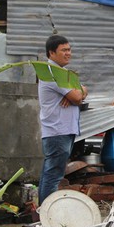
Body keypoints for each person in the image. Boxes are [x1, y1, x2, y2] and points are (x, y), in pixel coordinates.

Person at [38, 35, 88, 204]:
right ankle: (46, 216)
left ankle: (43, 214)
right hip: (57, 130)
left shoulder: (62, 73)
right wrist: (76, 94)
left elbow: (81, 91)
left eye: (69, 49)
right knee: (53, 175)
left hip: (62, 130)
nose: (69, 53)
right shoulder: (53, 73)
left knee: (51, 173)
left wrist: (77, 93)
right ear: (51, 53)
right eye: (64, 50)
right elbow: (77, 96)